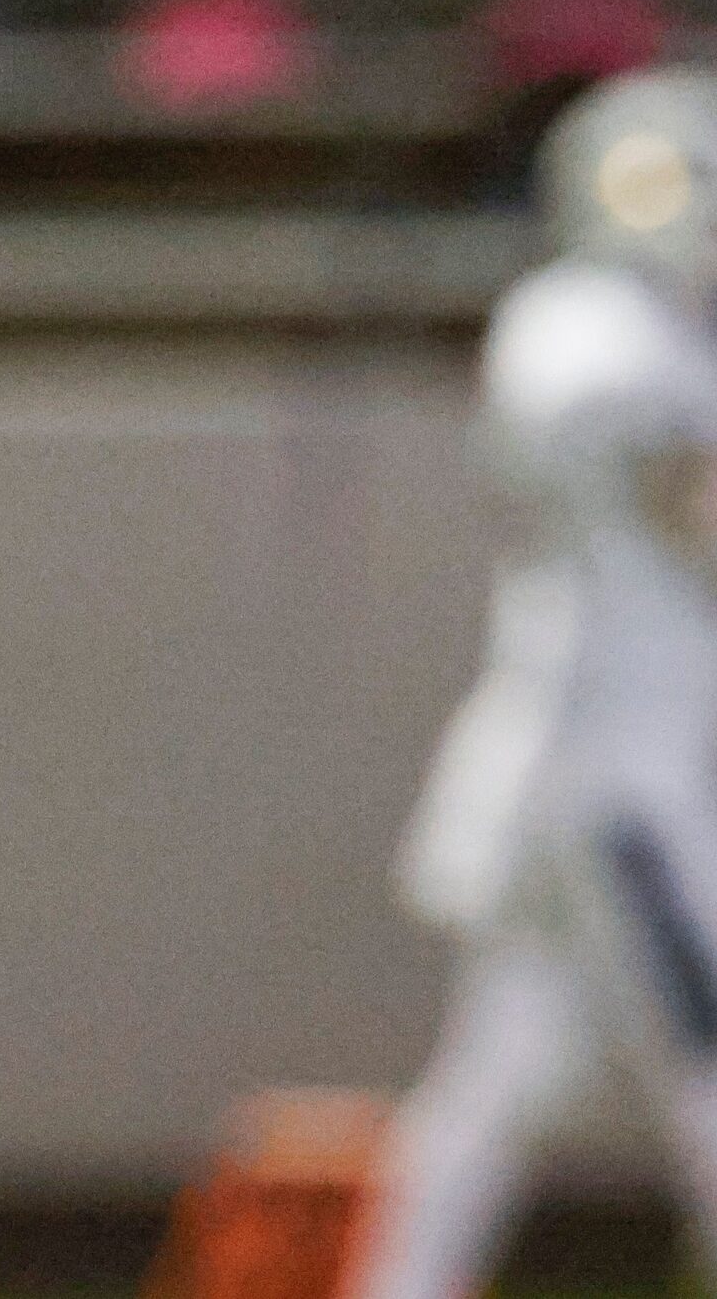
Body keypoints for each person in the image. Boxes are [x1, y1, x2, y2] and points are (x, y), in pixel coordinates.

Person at [357, 70, 717, 1298]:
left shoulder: (670, 333)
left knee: (498, 1081)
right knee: (706, 1060)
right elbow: (666, 481)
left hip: (605, 771)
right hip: (606, 778)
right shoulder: (582, 321)